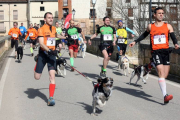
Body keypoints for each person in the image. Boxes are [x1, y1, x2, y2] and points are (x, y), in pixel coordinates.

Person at [129, 7, 179, 104]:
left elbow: (173, 37)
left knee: (165, 75)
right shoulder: (150, 26)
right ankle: (165, 95)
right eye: (159, 13)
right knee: (160, 73)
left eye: (162, 13)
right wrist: (135, 41)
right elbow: (143, 35)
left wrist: (176, 43)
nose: (161, 15)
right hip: (156, 52)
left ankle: (153, 64)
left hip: (166, 51)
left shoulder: (168, 26)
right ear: (154, 15)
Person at [34, 12, 66, 106]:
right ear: (45, 19)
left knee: (52, 76)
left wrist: (66, 37)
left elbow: (56, 36)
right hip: (43, 54)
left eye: (52, 18)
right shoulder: (41, 29)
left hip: (52, 55)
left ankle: (51, 98)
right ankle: (37, 62)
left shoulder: (54, 28)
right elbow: (41, 43)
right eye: (49, 18)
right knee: (37, 77)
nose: (51, 19)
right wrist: (48, 50)